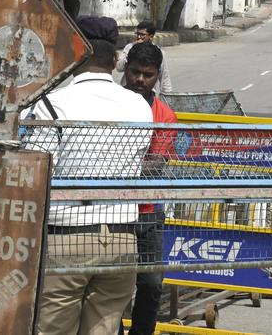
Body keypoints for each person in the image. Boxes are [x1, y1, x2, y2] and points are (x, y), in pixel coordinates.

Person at [22, 16, 152, 335]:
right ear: (116, 63)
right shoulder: (139, 106)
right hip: (122, 239)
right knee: (105, 329)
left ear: (75, 57)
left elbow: (37, 169)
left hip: (66, 235)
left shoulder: (52, 105)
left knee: (51, 329)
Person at [121, 42, 178, 335]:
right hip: (111, 210)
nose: (140, 80)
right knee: (109, 284)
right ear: (125, 69)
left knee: (152, 284)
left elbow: (155, 164)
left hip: (148, 212)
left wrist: (116, 163)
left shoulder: (164, 116)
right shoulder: (109, 104)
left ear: (157, 75)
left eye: (148, 74)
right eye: (135, 73)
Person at [117, 21, 173, 93]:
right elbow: (119, 67)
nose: (139, 37)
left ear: (151, 36)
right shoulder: (129, 47)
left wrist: (167, 96)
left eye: (142, 35)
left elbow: (164, 77)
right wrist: (132, 50)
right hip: (129, 92)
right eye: (138, 34)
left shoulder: (158, 52)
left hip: (147, 93)